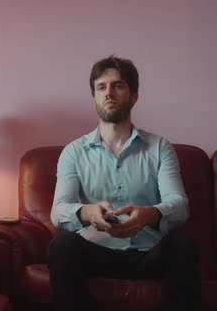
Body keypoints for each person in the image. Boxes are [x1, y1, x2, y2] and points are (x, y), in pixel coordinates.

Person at [48, 55, 201, 311]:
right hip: (96, 248)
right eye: (101, 87)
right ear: (94, 97)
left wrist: (149, 214)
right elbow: (58, 210)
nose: (108, 92)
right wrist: (86, 212)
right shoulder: (73, 152)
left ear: (133, 96)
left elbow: (180, 205)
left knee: (184, 245)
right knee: (62, 246)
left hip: (148, 252)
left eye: (117, 85)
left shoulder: (160, 147)